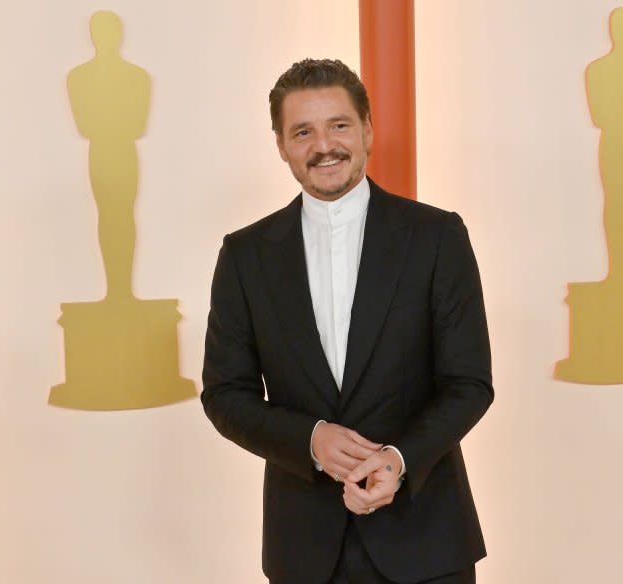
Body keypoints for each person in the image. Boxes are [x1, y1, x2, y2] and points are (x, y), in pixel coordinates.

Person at [201, 58, 493, 584]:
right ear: (281, 145)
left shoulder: (437, 236)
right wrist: (309, 440)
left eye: (339, 125)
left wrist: (398, 460)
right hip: (305, 553)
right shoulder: (245, 255)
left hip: (427, 540)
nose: (324, 145)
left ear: (367, 129)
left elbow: (469, 383)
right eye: (303, 131)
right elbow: (224, 394)